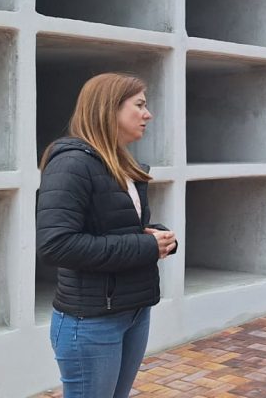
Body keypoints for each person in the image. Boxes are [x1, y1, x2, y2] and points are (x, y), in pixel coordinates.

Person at [37, 72, 177, 398]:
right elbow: (55, 245)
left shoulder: (123, 164)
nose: (148, 114)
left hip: (133, 311)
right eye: (139, 105)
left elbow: (118, 230)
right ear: (109, 108)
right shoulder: (71, 163)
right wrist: (144, 245)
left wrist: (159, 237)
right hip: (91, 322)